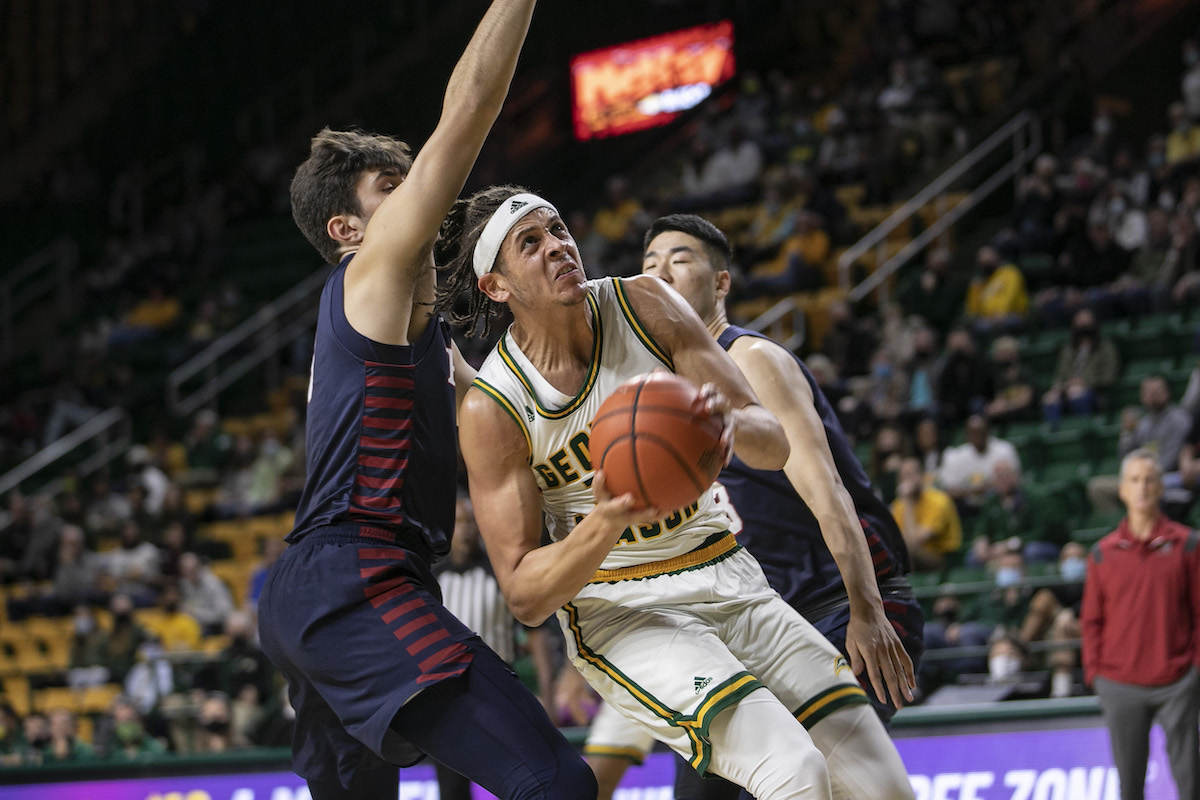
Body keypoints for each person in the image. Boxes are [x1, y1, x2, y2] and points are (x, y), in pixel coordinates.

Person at [440, 188, 913, 800]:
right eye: (530, 244)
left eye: (557, 228)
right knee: (794, 770)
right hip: (625, 612)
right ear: (496, 287)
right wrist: (607, 518)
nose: (558, 246)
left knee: (885, 791)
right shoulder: (496, 406)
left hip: (731, 577)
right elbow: (526, 595)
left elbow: (773, 445)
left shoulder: (645, 302)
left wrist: (725, 420)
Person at [255, 4, 598, 800]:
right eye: (392, 186)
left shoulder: (409, 330)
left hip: (324, 586)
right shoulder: (372, 274)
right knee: (556, 783)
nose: (416, 193)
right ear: (348, 228)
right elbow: (469, 112)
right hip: (356, 578)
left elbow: (506, 425)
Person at [614, 213, 919, 800]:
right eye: (649, 264)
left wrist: (866, 609)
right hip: (747, 623)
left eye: (679, 258)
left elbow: (826, 489)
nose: (659, 272)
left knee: (837, 784)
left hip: (836, 603)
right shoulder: (650, 397)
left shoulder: (752, 358)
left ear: (721, 283)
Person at [1080, 449, 1200, 800]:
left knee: (1191, 784)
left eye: (1150, 479)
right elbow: (1091, 621)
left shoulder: (1188, 544)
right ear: (1122, 490)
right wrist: (1096, 675)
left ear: (1161, 487)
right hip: (1119, 684)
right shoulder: (1102, 553)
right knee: (1129, 788)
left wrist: (1194, 670)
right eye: (1134, 480)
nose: (1143, 487)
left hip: (1177, 682)